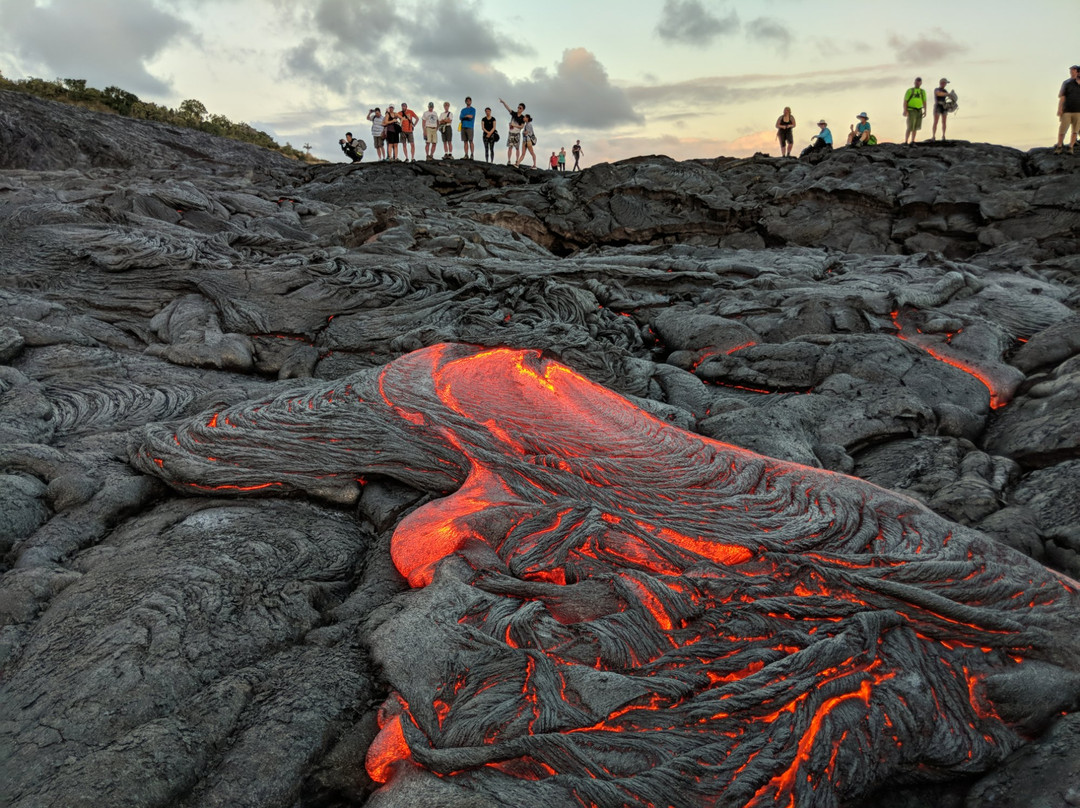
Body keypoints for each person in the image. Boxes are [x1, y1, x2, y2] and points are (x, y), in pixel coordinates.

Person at [1056, 65, 1080, 155]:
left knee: (1075, 130)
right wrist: (1060, 109)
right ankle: (1059, 145)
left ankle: (1071, 146)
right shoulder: (1067, 83)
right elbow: (1062, 97)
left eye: (1074, 71)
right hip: (1067, 110)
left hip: (1078, 111)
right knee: (1062, 129)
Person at [499, 98, 526, 165]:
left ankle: (517, 161)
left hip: (517, 134)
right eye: (518, 107)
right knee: (510, 147)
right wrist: (503, 102)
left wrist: (514, 125)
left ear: (522, 110)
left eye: (520, 108)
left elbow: (522, 127)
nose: (518, 109)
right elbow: (508, 108)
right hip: (511, 133)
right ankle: (509, 160)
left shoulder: (523, 118)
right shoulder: (514, 114)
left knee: (517, 148)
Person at [903, 77, 927, 145]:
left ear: (921, 83)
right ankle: (906, 141)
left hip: (919, 110)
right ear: (914, 82)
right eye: (916, 81)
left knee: (916, 127)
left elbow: (924, 101)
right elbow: (905, 101)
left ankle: (912, 141)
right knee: (910, 126)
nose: (918, 83)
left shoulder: (922, 92)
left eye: (919, 82)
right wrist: (905, 110)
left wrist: (925, 110)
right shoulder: (910, 91)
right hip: (911, 110)